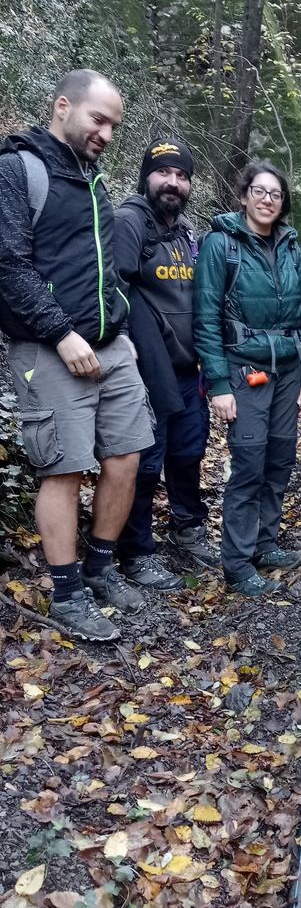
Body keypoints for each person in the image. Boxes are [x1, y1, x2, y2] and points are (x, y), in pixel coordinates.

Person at [0, 69, 155, 641]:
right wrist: (63, 333)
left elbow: (99, 266)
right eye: (98, 119)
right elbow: (9, 266)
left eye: (114, 125)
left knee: (127, 457)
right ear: (62, 106)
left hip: (111, 344)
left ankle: (101, 566)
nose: (107, 133)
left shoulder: (91, 177)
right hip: (48, 347)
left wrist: (118, 320)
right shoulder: (19, 170)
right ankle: (67, 593)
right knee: (64, 469)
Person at [193, 161, 301, 596]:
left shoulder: (290, 247)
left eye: (276, 194)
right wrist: (219, 385)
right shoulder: (219, 244)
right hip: (244, 369)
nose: (267, 200)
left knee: (280, 460)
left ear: (283, 204)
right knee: (248, 464)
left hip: (287, 373)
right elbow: (205, 317)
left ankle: (265, 544)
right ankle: (237, 562)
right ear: (244, 195)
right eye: (259, 192)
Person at [113, 138, 217, 589]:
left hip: (187, 368)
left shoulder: (184, 233)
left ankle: (186, 526)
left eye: (181, 175)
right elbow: (112, 284)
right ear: (146, 176)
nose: (172, 182)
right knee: (146, 461)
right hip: (145, 370)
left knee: (189, 452)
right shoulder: (129, 221)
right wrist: (120, 339)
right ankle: (135, 550)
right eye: (163, 172)